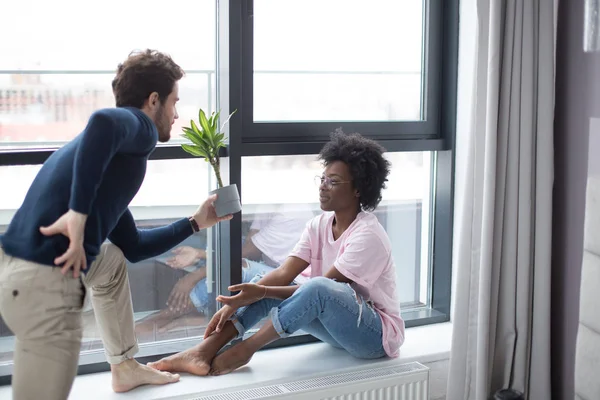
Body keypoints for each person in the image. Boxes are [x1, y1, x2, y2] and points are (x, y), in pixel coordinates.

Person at [0, 49, 233, 400]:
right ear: (153, 100)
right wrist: (77, 216)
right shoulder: (138, 126)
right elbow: (103, 123)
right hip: (41, 282)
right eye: (174, 102)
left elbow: (133, 247)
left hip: (22, 273)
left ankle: (123, 366)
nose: (176, 113)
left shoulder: (107, 166)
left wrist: (196, 223)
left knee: (108, 262)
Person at [147, 129, 405, 377]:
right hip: (336, 328)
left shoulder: (367, 235)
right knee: (268, 283)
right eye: (323, 179)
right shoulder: (319, 225)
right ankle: (204, 350)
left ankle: (246, 350)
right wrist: (243, 298)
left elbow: (322, 290)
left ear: (359, 189)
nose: (323, 187)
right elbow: (284, 272)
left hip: (374, 335)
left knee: (311, 287)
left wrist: (261, 291)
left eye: (333, 182)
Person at [134, 206, 314, 334]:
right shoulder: (266, 204)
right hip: (270, 267)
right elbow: (248, 244)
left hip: (291, 281)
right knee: (217, 245)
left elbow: (246, 254)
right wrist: (201, 254)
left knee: (238, 268)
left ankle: (166, 316)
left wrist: (194, 273)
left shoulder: (290, 210)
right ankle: (199, 314)